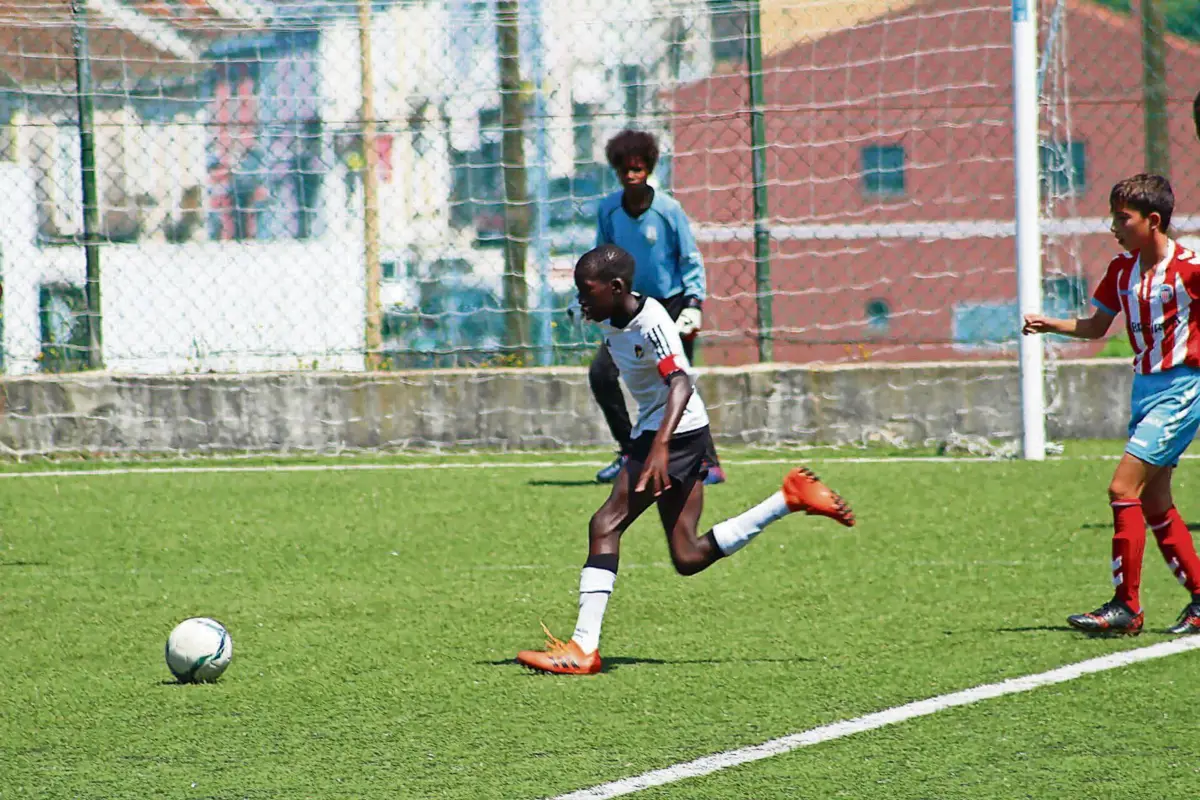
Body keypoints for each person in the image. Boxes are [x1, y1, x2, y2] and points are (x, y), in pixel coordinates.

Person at [516, 245, 855, 675]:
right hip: (684, 433)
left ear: (617, 288)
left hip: (671, 434)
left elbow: (679, 382)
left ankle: (583, 648)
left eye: (587, 290)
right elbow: (589, 319)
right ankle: (788, 498)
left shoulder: (652, 321)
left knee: (605, 524)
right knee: (688, 555)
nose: (580, 298)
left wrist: (657, 446)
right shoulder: (603, 312)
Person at [1023, 173, 1200, 635]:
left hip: (1183, 388)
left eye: (1122, 218)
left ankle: (1127, 607)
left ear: (1153, 220)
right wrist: (1050, 324)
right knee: (1155, 500)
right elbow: (1095, 328)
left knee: (1123, 489)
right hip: (1144, 389)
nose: (1113, 226)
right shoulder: (1122, 271)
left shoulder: (1190, 268)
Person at [589, 129, 726, 485]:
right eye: (625, 170)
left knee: (677, 380)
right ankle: (628, 451)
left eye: (638, 168)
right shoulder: (608, 210)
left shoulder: (668, 210)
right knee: (602, 375)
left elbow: (690, 258)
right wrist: (591, 298)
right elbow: (601, 259)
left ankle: (708, 462)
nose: (632, 176)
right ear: (617, 171)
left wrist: (694, 304)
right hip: (628, 308)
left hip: (671, 304)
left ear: (648, 168)